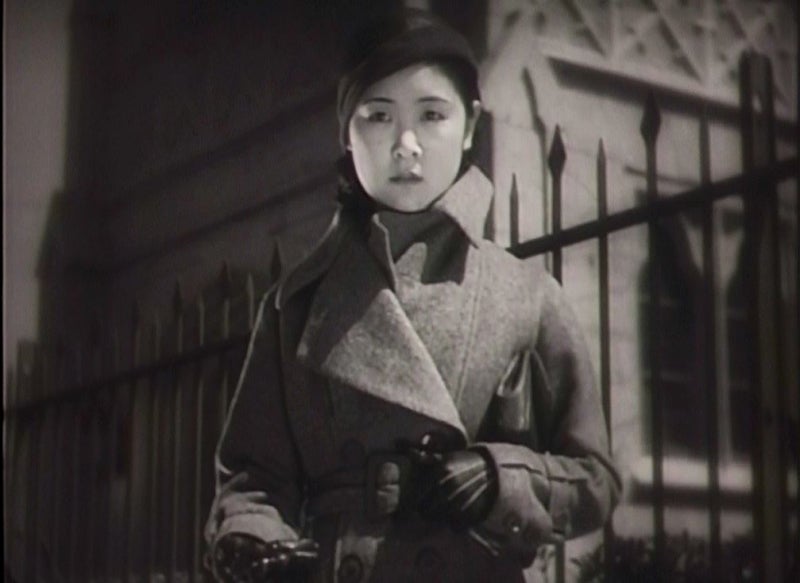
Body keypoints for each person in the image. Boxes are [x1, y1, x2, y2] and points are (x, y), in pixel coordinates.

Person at [205, 8, 620, 583]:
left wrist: (501, 479)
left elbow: (595, 479)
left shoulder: (528, 296)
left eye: (432, 115)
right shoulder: (294, 306)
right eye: (378, 115)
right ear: (345, 133)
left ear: (470, 127)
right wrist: (250, 534)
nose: (406, 145)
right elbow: (253, 479)